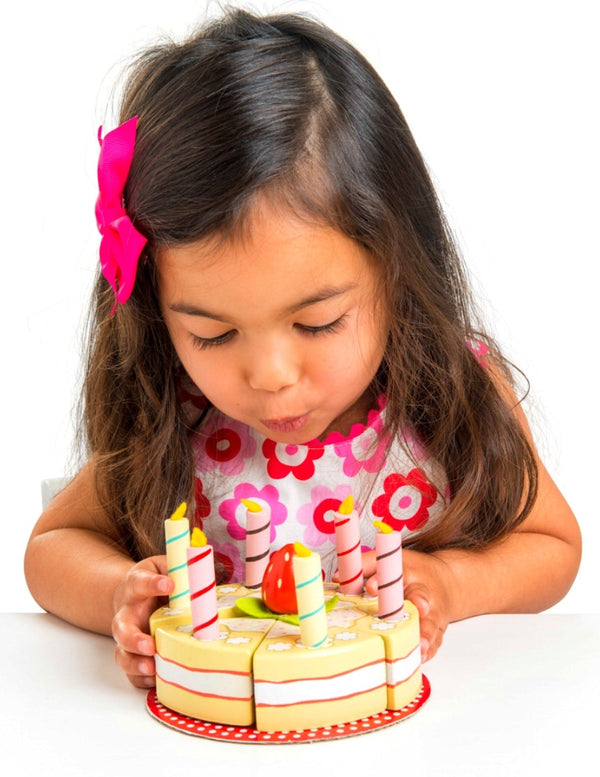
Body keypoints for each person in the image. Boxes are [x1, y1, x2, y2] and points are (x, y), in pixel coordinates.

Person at [24, 8, 580, 690]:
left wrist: (456, 582)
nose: (272, 376)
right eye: (213, 333)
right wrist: (120, 591)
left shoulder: (450, 403)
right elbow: (52, 546)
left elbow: (552, 545)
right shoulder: (182, 418)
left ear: (397, 269)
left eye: (317, 323)